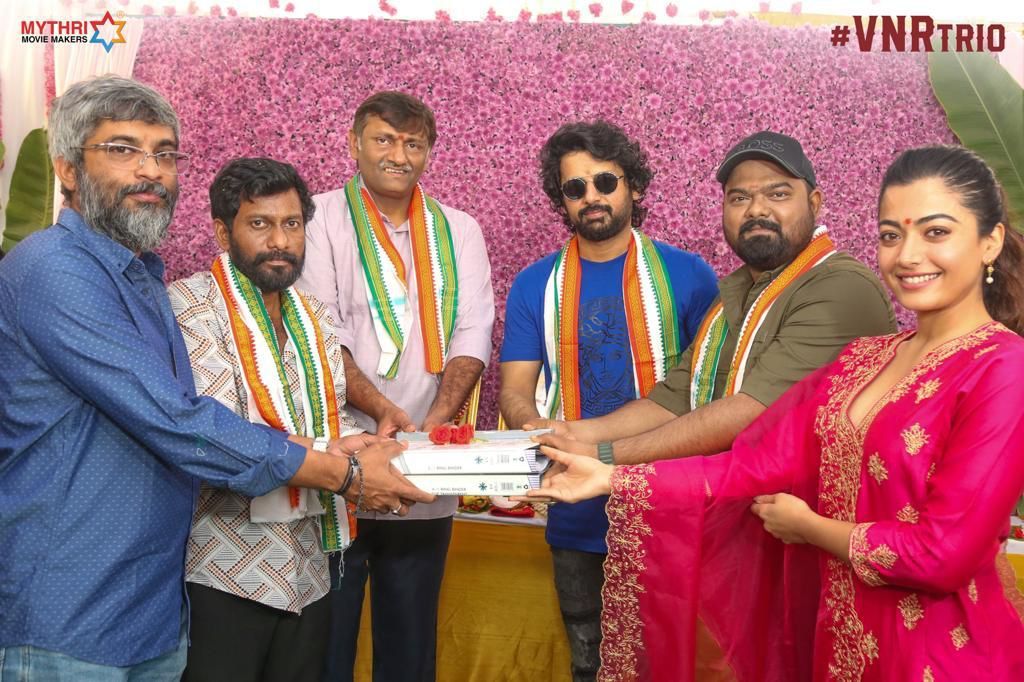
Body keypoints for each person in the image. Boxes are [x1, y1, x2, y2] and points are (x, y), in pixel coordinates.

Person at [527, 145, 1024, 681]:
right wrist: (609, 475)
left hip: (939, 655)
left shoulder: (1003, 368)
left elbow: (941, 555)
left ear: (990, 240)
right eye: (890, 235)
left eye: (936, 232)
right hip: (838, 644)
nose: (907, 255)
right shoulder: (867, 358)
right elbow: (757, 460)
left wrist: (810, 527)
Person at [0, 76, 431, 679]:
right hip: (69, 615)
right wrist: (342, 473)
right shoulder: (55, 270)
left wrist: (328, 448)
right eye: (123, 149)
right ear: (68, 169)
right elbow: (176, 420)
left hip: (150, 614)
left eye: (165, 153)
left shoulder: (142, 279)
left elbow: (180, 415)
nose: (150, 170)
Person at [499, 120, 718, 681]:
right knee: (588, 663)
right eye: (575, 188)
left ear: (634, 187)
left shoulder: (690, 276)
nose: (591, 197)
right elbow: (515, 390)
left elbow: (709, 392)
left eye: (605, 181)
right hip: (575, 504)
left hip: (666, 500)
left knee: (670, 662)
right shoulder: (534, 284)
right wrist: (538, 427)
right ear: (562, 201)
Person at [534, 130, 895, 468]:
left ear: (814, 203)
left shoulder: (841, 286)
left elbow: (751, 412)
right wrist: (568, 433)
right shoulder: (732, 297)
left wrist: (602, 456)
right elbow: (673, 401)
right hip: (742, 505)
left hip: (813, 511)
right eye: (740, 198)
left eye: (778, 194)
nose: (756, 210)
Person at [297, 91, 495, 682]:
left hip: (424, 466)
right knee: (326, 641)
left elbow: (473, 330)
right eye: (384, 139)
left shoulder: (459, 230)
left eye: (413, 143)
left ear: (429, 152)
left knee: (409, 644)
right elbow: (321, 333)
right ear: (354, 143)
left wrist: (434, 423)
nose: (399, 155)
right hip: (341, 460)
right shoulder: (319, 218)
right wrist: (385, 412)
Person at [170, 158, 383, 681]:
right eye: (260, 224)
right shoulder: (188, 307)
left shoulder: (314, 317)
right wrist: (348, 467)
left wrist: (383, 450)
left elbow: (330, 419)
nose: (280, 241)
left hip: (309, 569)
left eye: (292, 223)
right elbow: (222, 435)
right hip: (222, 569)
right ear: (224, 232)